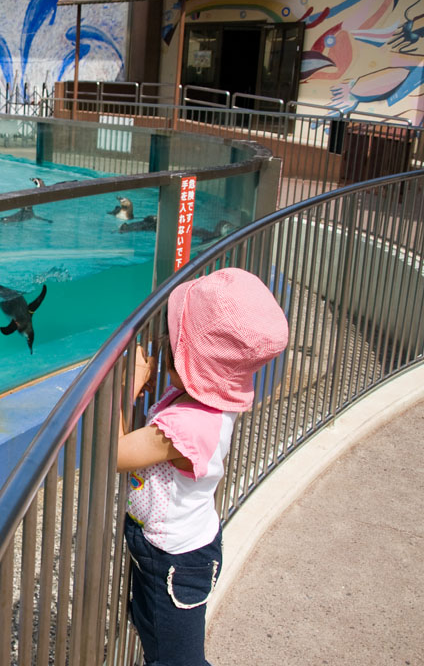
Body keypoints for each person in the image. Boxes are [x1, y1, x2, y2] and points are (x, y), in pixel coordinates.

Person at [119, 267, 289, 666]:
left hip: (175, 561)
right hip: (167, 548)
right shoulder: (206, 401)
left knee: (177, 660)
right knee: (153, 636)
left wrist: (127, 386)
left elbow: (116, 454)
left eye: (173, 341)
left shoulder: (187, 426)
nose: (164, 345)